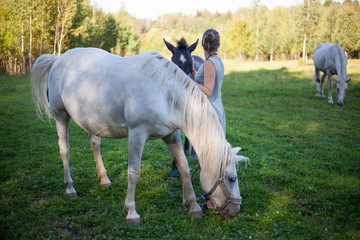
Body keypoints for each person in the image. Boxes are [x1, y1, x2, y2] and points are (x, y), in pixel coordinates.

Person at [191, 28, 225, 209]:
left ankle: (214, 201)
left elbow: (207, 90)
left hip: (210, 115)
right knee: (209, 158)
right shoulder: (216, 61)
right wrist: (194, 73)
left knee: (210, 161)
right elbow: (206, 82)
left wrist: (188, 82)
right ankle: (209, 193)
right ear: (216, 44)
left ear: (204, 44)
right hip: (217, 110)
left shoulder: (210, 63)